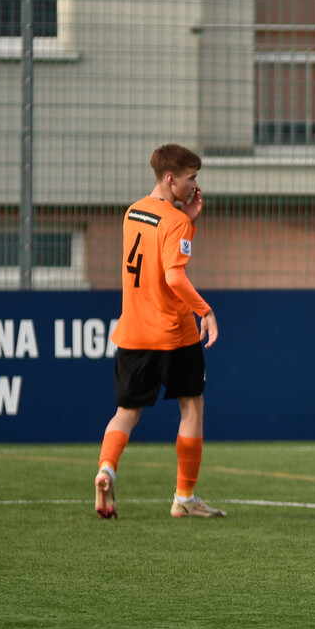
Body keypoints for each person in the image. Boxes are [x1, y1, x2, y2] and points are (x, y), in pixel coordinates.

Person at [94, 143, 224, 519]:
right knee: (192, 406)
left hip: (133, 330)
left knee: (126, 411)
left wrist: (191, 222)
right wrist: (206, 311)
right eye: (191, 178)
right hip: (174, 332)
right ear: (171, 178)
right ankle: (184, 497)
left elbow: (155, 256)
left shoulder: (133, 213)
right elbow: (173, 275)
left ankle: (106, 469)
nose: (194, 185)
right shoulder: (175, 221)